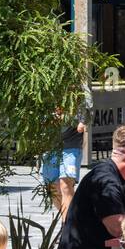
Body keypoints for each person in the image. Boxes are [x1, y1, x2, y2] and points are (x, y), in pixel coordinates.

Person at [41, 90, 93, 222]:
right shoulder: (45, 84)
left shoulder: (78, 85)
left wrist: (82, 121)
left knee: (66, 185)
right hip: (49, 143)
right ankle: (73, 218)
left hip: (71, 144)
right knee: (53, 187)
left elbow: (88, 106)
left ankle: (67, 226)